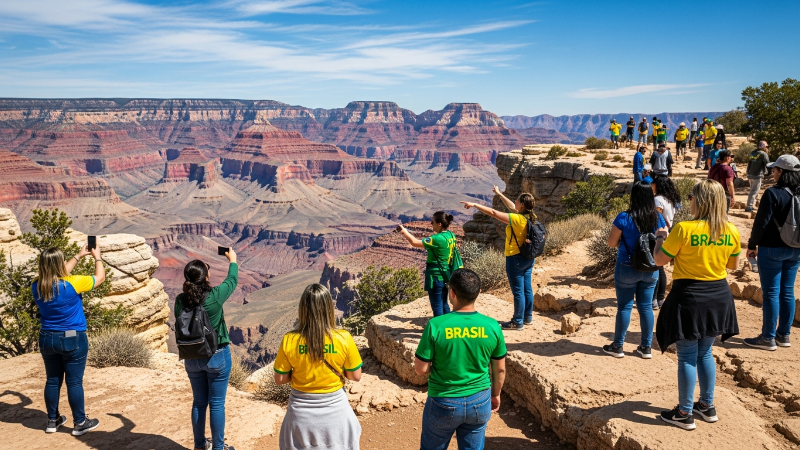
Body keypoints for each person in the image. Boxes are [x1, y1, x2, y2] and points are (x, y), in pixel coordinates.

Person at [654, 180, 741, 430]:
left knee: (687, 357)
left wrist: (661, 239)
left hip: (689, 297)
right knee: (705, 353)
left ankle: (684, 412)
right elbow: (732, 266)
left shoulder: (683, 229)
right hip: (718, 296)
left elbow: (660, 260)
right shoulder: (731, 230)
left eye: (692, 196)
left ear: (700, 201)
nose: (689, 200)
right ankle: (707, 405)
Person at [414, 268, 507, 450]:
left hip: (444, 400)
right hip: (480, 400)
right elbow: (500, 369)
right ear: (478, 293)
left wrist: (440, 367)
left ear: (452, 293)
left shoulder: (436, 325)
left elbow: (420, 369)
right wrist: (495, 394)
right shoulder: (492, 326)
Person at [274, 284, 363, 450]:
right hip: (336, 412)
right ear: (329, 308)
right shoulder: (343, 338)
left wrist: (302, 373)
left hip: (301, 414)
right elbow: (355, 376)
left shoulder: (290, 339)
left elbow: (280, 379)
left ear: (303, 309)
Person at [33, 246, 106, 436]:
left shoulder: (37, 285)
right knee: (74, 382)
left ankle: (52, 421)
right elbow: (100, 278)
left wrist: (79, 256)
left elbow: (57, 274)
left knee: (52, 380)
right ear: (60, 264)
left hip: (47, 338)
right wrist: (97, 258)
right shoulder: (73, 283)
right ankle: (80, 423)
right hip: (72, 337)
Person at [175, 249, 238, 450]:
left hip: (192, 357)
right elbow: (232, 280)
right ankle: (218, 447)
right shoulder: (215, 297)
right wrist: (233, 260)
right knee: (217, 403)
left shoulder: (179, 300)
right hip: (217, 355)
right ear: (206, 277)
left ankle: (199, 445)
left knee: (199, 402)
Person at [602, 182, 667, 359]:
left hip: (626, 266)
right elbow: (664, 240)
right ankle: (646, 348)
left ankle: (618, 346)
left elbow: (611, 243)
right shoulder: (658, 218)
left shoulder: (624, 217)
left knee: (624, 307)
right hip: (651, 267)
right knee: (646, 307)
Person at [743, 155, 800, 351]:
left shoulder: (773, 193)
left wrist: (752, 245)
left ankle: (768, 338)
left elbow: (761, 223)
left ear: (781, 172)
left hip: (771, 249)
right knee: (787, 292)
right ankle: (783, 335)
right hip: (795, 250)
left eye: (775, 169)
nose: (773, 173)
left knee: (771, 294)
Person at [460, 192, 537, 330]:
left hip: (515, 258)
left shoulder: (517, 219)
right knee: (527, 288)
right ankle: (527, 317)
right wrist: (499, 194)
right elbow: (512, 206)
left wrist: (475, 204)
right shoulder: (529, 217)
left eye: (517, 200)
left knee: (518, 291)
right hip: (528, 257)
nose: (515, 201)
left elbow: (494, 213)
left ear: (523, 205)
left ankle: (517, 322)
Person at [398, 211, 459, 317]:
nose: (431, 224)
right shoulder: (451, 235)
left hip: (435, 276)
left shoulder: (436, 239)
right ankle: (449, 326)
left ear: (439, 224)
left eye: (433, 221)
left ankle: (440, 330)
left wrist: (404, 232)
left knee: (437, 307)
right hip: (446, 274)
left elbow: (414, 242)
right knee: (444, 303)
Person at [651, 176, 682, 309]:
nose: (651, 184)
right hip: (667, 234)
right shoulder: (671, 199)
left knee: (654, 268)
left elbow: (656, 217)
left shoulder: (657, 199)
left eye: (654, 183)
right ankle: (660, 298)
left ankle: (653, 299)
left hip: (657, 234)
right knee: (661, 268)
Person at [745, 141, 771, 212]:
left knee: (753, 190)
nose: (766, 148)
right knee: (754, 191)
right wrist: (769, 173)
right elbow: (767, 164)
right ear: (763, 147)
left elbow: (749, 163)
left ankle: (754, 204)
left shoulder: (752, 152)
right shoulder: (763, 154)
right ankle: (749, 206)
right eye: (766, 147)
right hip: (758, 175)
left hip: (750, 174)